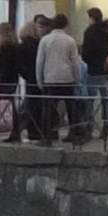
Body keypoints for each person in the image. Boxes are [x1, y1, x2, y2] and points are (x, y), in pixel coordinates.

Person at [31, 11, 83, 146]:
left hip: (50, 79)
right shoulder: (70, 41)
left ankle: (47, 137)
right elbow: (75, 62)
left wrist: (39, 80)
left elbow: (39, 62)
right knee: (71, 109)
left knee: (47, 110)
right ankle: (75, 135)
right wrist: (78, 80)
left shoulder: (45, 40)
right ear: (65, 25)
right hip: (67, 78)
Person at [78, 5, 108, 141]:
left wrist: (88, 60)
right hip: (107, 71)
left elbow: (86, 53)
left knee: (90, 101)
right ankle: (107, 129)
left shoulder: (90, 32)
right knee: (107, 101)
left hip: (94, 71)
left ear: (91, 18)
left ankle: (88, 128)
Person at [0, 15, 29, 142]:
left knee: (0, 107)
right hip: (12, 80)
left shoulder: (5, 49)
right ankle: (14, 132)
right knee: (9, 106)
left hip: (4, 80)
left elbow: (2, 65)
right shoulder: (14, 47)